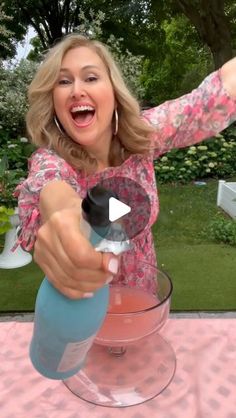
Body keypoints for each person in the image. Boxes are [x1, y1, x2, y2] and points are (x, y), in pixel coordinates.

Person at [15, 33, 236, 300]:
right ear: (54, 102)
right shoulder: (51, 161)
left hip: (142, 301)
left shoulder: (143, 136)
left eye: (91, 77)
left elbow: (207, 101)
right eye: (63, 81)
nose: (76, 90)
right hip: (85, 317)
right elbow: (51, 188)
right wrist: (67, 216)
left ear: (114, 92)